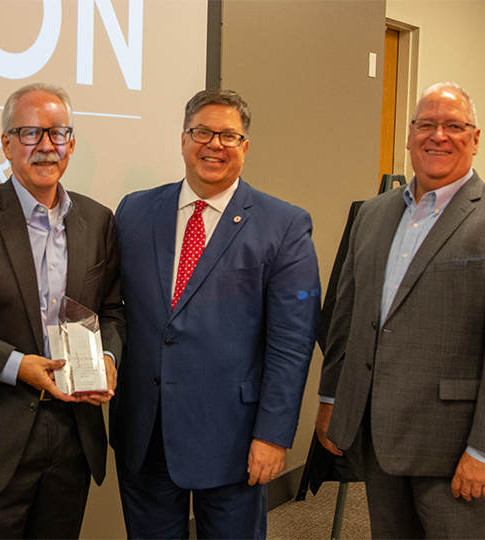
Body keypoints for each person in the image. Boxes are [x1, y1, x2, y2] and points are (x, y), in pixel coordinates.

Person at [110, 88, 320, 539]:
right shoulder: (135, 210)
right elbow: (115, 309)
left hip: (235, 440)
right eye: (202, 132)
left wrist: (274, 434)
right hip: (146, 435)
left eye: (229, 136)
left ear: (245, 146)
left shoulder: (283, 225)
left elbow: (292, 343)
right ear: (183, 140)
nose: (214, 145)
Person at [0, 82, 125, 539]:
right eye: (30, 133)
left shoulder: (98, 221)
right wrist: (15, 366)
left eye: (57, 134)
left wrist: (108, 360)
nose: (46, 146)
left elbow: (112, 310)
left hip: (72, 436)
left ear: (71, 143)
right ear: (7, 144)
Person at [317, 82, 485, 538]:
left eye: (454, 126)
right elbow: (346, 318)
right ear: (410, 136)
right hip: (378, 431)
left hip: (453, 444)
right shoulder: (372, 214)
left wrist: (482, 451)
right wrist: (331, 399)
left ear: (475, 138)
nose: (438, 136)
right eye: (426, 125)